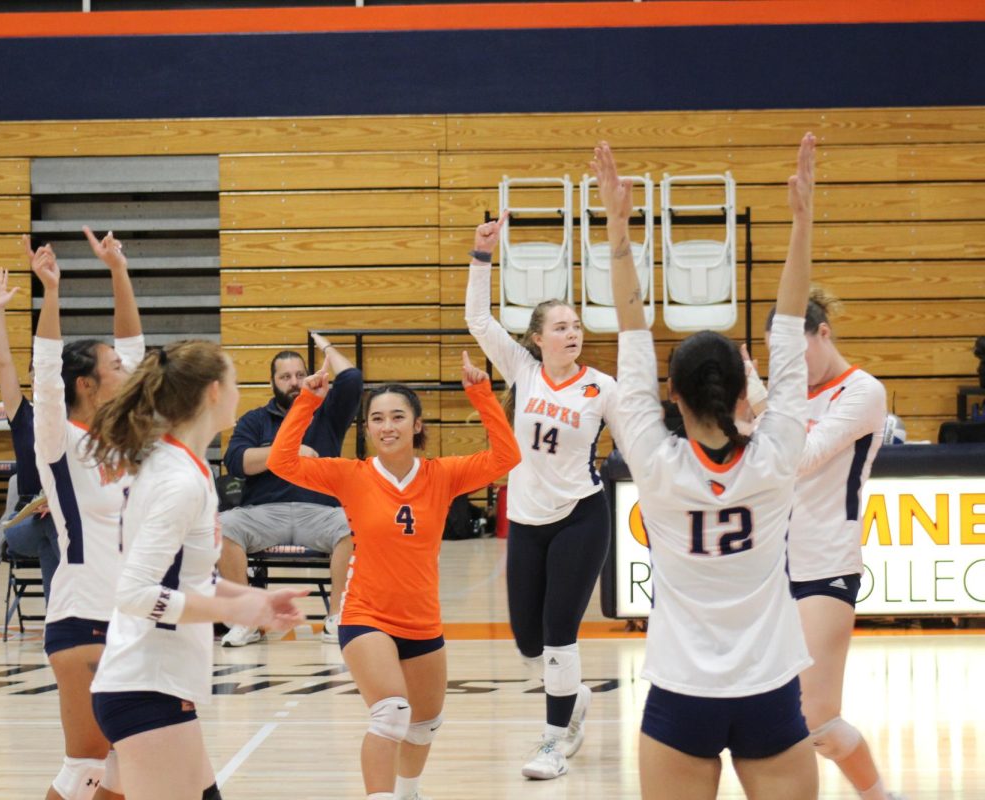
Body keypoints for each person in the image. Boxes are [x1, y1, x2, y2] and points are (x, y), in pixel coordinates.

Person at [600, 134, 818, 799]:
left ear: (672, 395)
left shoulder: (655, 461)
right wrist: (802, 221)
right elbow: (788, 329)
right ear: (745, 391)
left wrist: (616, 226)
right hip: (770, 690)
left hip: (681, 693)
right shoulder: (778, 452)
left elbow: (633, 332)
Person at [268, 352, 521, 800]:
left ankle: (408, 793)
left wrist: (481, 394)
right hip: (366, 616)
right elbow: (282, 462)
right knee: (390, 714)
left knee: (423, 727)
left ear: (417, 425)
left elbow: (507, 456)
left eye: (398, 417)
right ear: (367, 428)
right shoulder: (352, 476)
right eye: (377, 419)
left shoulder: (442, 475)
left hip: (422, 620)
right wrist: (306, 402)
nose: (388, 426)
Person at [86, 341, 307, 800]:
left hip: (156, 684)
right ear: (212, 392)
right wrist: (235, 611)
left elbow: (191, 577)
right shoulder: (177, 479)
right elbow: (135, 594)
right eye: (234, 380)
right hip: (144, 685)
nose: (239, 391)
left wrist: (252, 600)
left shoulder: (187, 467)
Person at [465, 213, 615, 779]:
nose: (572, 333)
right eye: (560, 326)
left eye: (577, 325)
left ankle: (552, 742)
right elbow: (477, 318)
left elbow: (643, 443)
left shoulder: (602, 387)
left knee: (558, 634)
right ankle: (574, 699)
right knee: (528, 642)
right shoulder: (522, 371)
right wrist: (482, 256)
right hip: (526, 519)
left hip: (582, 515)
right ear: (536, 338)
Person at [746, 292, 899, 800]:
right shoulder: (784, 396)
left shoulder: (863, 391)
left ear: (823, 334)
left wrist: (761, 405)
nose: (786, 368)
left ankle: (878, 795)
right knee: (757, 709)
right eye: (775, 359)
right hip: (768, 566)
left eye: (794, 353)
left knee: (816, 717)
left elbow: (803, 455)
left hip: (825, 563)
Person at [31, 228, 143, 800]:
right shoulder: (60, 440)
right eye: (112, 367)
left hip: (132, 620)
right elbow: (44, 379)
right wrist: (50, 291)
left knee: (125, 771)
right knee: (87, 767)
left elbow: (137, 348)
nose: (125, 371)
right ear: (87, 384)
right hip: (81, 618)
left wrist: (118, 271)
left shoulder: (130, 440)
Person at [218, 333, 361, 646]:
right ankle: (248, 620)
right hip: (264, 513)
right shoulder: (254, 420)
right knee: (221, 527)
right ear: (272, 382)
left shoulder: (327, 415)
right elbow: (237, 461)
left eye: (299, 375)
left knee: (354, 525)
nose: (294, 382)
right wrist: (287, 454)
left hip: (320, 512)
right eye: (285, 377)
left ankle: (337, 617)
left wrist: (327, 347)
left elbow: (351, 379)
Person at [0, 265, 58, 599]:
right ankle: (74, 617)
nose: (39, 375)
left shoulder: (73, 418)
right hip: (24, 518)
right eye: (35, 369)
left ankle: (58, 618)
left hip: (63, 514)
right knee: (52, 528)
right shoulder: (22, 413)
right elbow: (3, 362)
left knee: (57, 532)